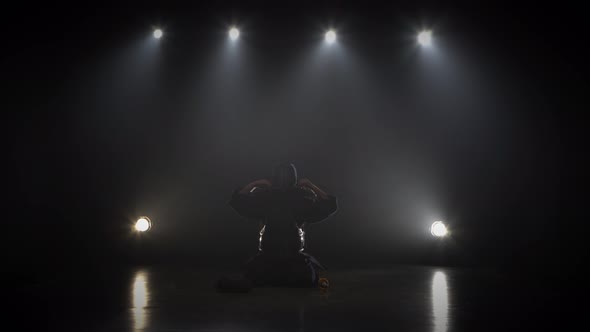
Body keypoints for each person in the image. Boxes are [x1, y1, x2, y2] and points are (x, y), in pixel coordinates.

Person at [226, 163, 337, 289]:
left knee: (259, 276)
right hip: (275, 260)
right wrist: (309, 185)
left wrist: (255, 184)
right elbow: (328, 204)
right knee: (302, 278)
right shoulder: (299, 198)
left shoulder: (268, 198)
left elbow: (238, 200)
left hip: (285, 260)